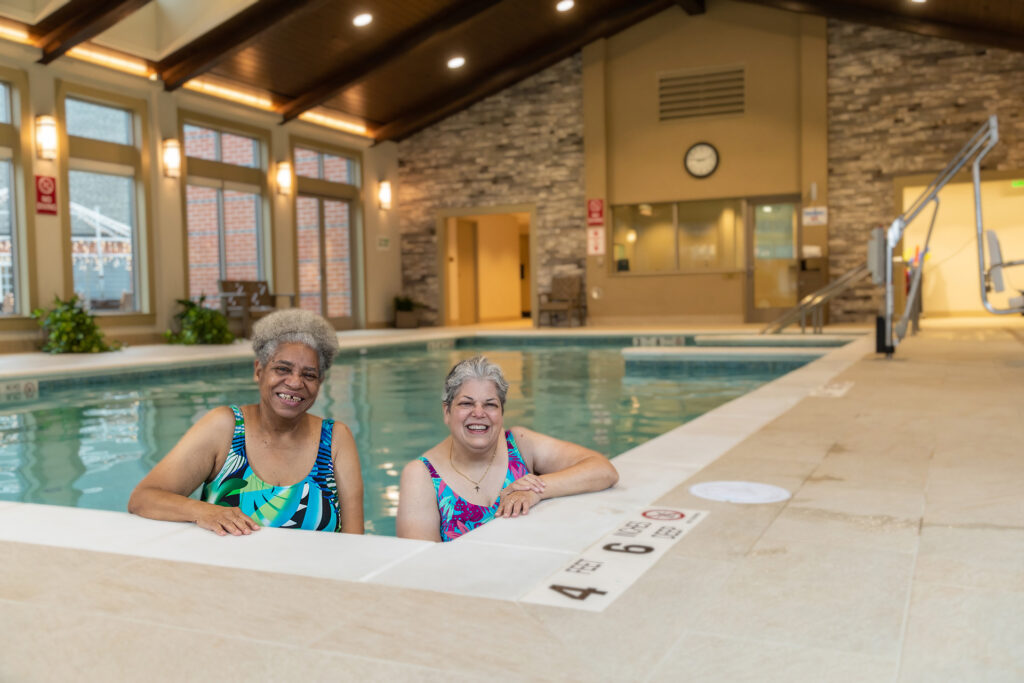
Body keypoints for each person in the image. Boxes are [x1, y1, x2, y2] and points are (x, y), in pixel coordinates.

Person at [128, 309, 363, 536]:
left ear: (320, 382)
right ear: (258, 370)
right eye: (282, 369)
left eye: (309, 375)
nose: (294, 383)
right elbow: (144, 497)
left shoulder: (335, 439)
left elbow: (354, 541)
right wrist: (204, 512)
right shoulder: (224, 428)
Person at [397, 355, 618, 542]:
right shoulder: (422, 475)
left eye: (490, 404)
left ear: (501, 413)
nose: (478, 413)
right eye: (466, 403)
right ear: (446, 412)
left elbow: (604, 470)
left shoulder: (520, 445)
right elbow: (417, 568)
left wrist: (536, 490)